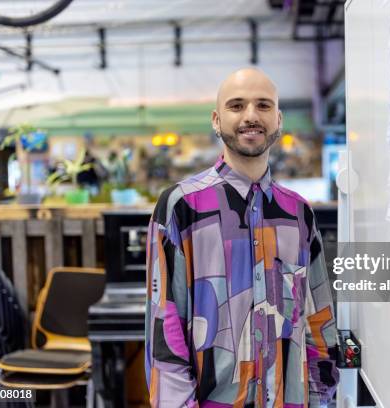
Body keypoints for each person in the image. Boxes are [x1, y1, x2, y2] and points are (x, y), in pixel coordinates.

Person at [145, 68, 339, 407]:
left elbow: (317, 317)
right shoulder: (182, 206)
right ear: (216, 120)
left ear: (278, 120)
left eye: (263, 105)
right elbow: (165, 329)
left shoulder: (298, 213)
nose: (251, 116)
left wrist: (320, 397)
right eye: (237, 106)